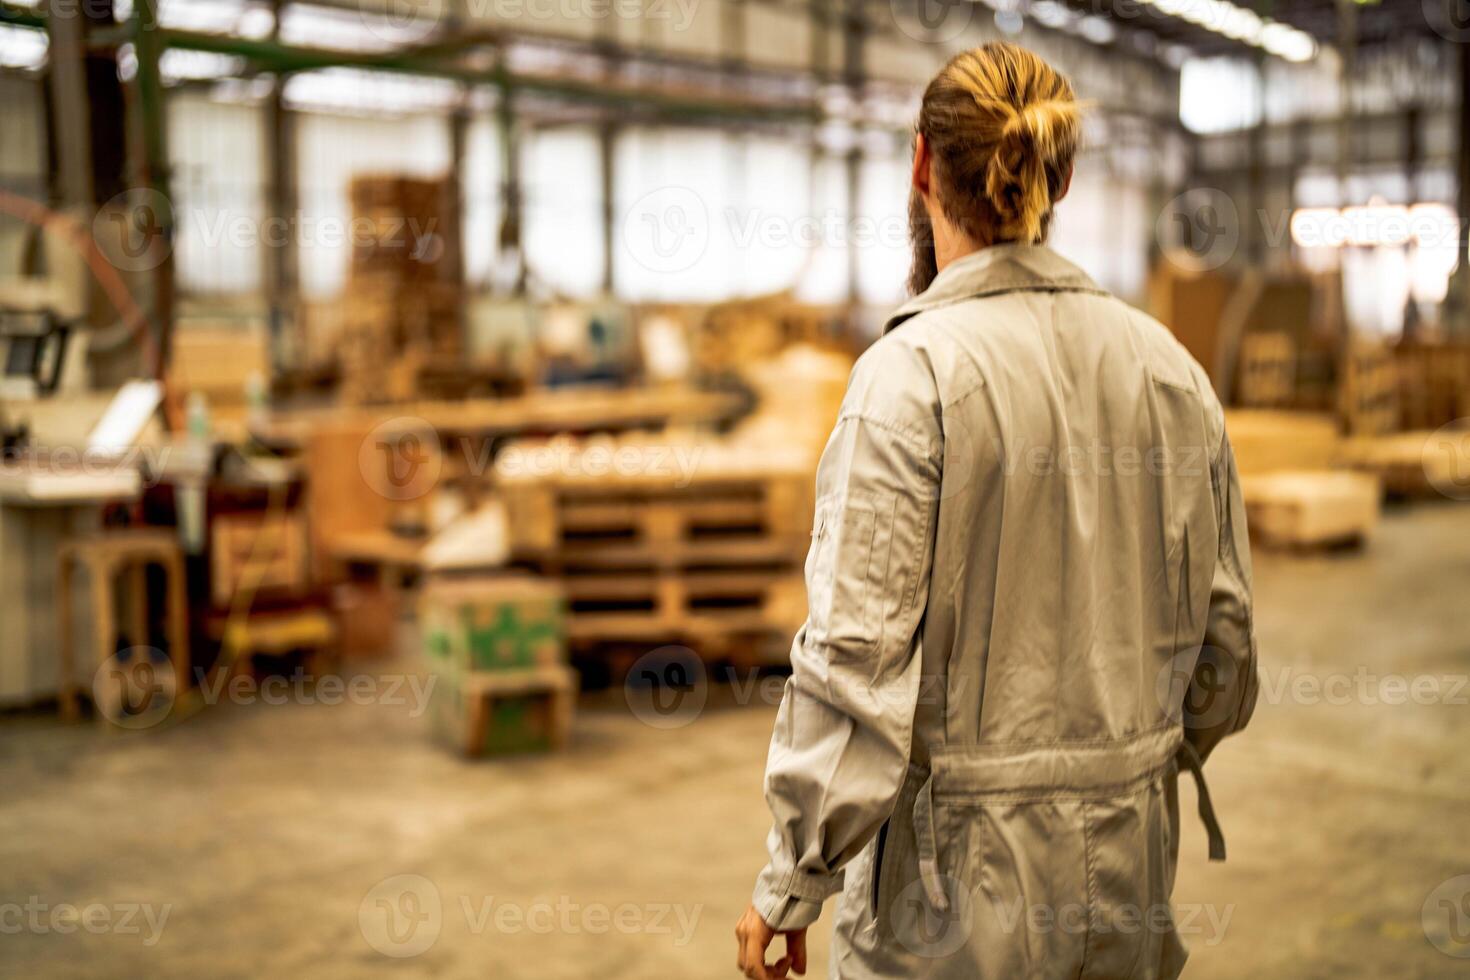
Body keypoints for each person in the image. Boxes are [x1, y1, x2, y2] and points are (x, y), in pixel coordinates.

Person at [735, 41, 1258, 980]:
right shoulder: (1169, 371)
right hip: (1129, 871)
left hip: (952, 899)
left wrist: (794, 878)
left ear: (923, 164)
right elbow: (1225, 649)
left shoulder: (912, 378)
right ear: (1061, 176)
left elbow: (856, 659)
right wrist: (1129, 763)